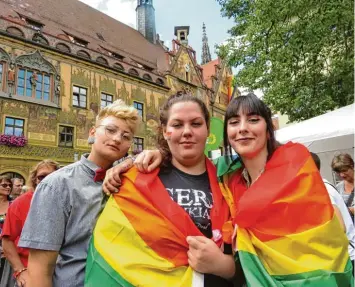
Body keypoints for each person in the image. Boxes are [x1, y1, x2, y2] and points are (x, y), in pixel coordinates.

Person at [113, 93, 353, 286]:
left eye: (254, 120)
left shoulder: (294, 171)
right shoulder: (228, 176)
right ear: (226, 133)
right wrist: (146, 157)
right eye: (234, 122)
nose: (243, 129)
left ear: (268, 128)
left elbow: (335, 229)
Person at [85, 92, 243, 287]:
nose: (187, 131)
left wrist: (224, 266)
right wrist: (132, 160)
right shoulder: (135, 179)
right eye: (177, 125)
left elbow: (257, 263)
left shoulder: (231, 178)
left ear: (208, 129)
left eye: (196, 124)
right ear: (164, 131)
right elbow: (112, 249)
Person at [18, 100, 140, 287]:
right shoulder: (57, 185)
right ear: (93, 133)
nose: (117, 139)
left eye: (126, 136)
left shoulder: (131, 182)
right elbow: (40, 269)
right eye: (110, 130)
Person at [1, 160, 60, 287]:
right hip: (31, 273)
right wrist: (20, 270)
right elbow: (7, 241)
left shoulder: (65, 200)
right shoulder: (20, 203)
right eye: (42, 177)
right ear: (34, 180)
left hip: (61, 272)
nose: (47, 180)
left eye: (52, 176)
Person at [0, 175, 12, 279]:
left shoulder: (13, 204)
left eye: (9, 185)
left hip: (7, 249)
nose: (8, 187)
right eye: (4, 185)